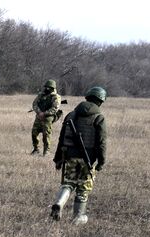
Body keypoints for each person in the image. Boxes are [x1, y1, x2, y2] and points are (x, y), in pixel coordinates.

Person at [50, 86, 108, 224]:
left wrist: (58, 159)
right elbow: (101, 143)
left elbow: (62, 138)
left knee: (68, 183)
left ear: (87, 97)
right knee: (83, 188)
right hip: (87, 159)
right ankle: (78, 217)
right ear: (100, 101)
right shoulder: (99, 117)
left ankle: (59, 204)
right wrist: (101, 161)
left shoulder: (71, 115)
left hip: (69, 156)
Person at [30, 80, 61, 155]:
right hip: (39, 115)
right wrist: (39, 112)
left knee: (46, 134)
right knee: (34, 133)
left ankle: (46, 151)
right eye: (46, 87)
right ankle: (36, 149)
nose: (47, 89)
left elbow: (55, 108)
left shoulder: (56, 97)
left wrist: (45, 113)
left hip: (48, 117)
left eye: (49, 87)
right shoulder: (41, 95)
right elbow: (35, 104)